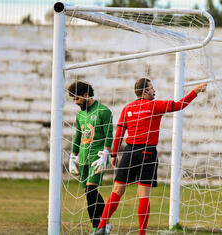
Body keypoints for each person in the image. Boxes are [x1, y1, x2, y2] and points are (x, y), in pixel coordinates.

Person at [94, 78, 207, 235]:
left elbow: (120, 133)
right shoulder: (155, 105)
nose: (154, 90)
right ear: (145, 91)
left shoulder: (127, 108)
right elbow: (180, 105)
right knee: (143, 195)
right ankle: (142, 233)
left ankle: (101, 227)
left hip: (129, 152)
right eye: (152, 88)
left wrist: (114, 154)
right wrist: (195, 91)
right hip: (147, 152)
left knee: (117, 190)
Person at [68, 81, 114, 234]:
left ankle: (101, 226)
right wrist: (73, 156)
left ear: (86, 95)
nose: (76, 103)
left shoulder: (103, 111)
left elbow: (109, 134)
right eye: (74, 100)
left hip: (97, 156)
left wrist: (106, 154)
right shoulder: (80, 115)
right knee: (89, 194)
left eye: (77, 99)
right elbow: (78, 136)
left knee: (91, 190)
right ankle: (99, 227)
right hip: (83, 158)